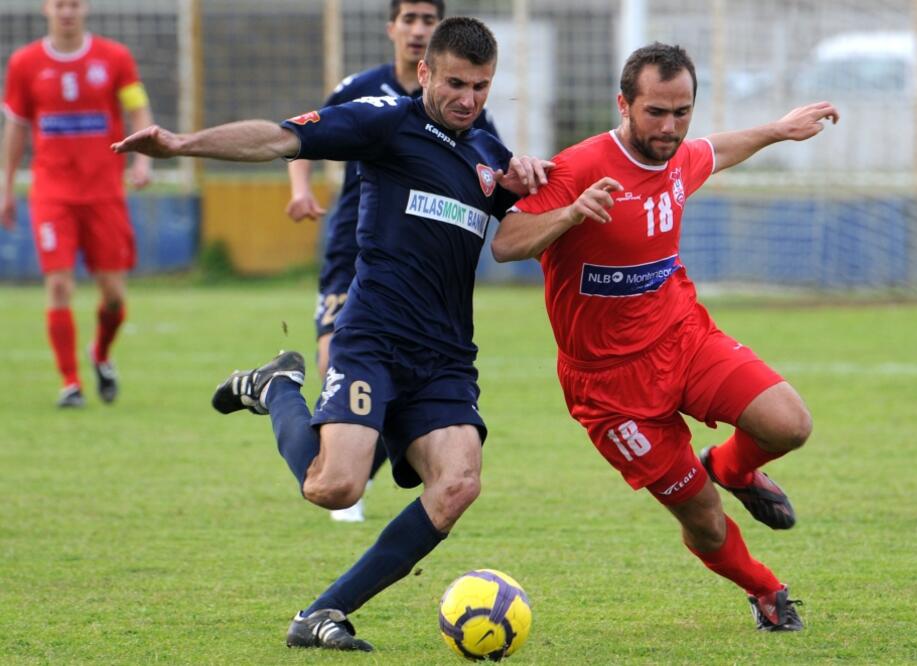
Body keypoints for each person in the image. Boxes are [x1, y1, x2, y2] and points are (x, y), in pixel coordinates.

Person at [113, 17, 550, 651]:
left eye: (481, 87)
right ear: (424, 72)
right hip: (373, 339)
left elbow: (518, 233)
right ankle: (279, 387)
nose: (469, 99)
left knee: (458, 483)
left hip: (445, 359)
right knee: (334, 486)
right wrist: (183, 145)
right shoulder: (385, 121)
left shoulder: (489, 156)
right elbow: (277, 139)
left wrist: (554, 189)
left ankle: (323, 613)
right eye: (456, 83)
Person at [492, 43, 839, 632]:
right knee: (702, 517)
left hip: (683, 339)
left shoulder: (677, 155)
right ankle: (765, 591)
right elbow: (507, 242)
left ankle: (731, 467)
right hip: (609, 388)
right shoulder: (577, 166)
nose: (670, 127)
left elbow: (716, 150)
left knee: (789, 424)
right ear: (623, 104)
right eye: (656, 112)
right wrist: (572, 214)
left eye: (682, 112)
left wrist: (779, 130)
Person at [286, 0, 501, 523]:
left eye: (428, 20)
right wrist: (299, 190)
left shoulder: (468, 109)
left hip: (422, 271)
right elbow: (303, 136)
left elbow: (490, 165)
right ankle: (334, 460)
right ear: (394, 29)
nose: (418, 29)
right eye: (410, 20)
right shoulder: (363, 89)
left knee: (381, 383)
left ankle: (356, 467)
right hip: (352, 253)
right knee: (332, 361)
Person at [1, 0, 153, 408]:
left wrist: (142, 157)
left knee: (114, 296)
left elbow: (138, 109)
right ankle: (70, 383)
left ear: (85, 8)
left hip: (105, 191)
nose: (66, 11)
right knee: (59, 283)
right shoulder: (24, 63)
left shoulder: (114, 57)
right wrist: (6, 184)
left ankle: (100, 353)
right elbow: (16, 127)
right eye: (58, 4)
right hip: (53, 192)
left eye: (74, 3)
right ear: (45, 9)